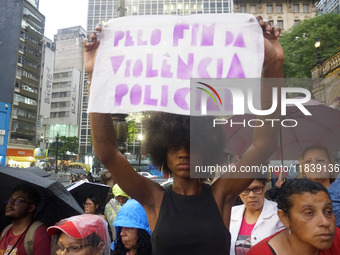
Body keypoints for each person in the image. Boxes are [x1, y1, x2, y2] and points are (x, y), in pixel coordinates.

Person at [85, 16, 284, 254]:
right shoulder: (154, 198)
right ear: (162, 152)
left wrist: (274, 65)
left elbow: (264, 145)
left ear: (208, 147)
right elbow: (107, 153)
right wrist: (95, 78)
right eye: (173, 146)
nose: (183, 152)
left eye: (192, 144)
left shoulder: (222, 194)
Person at [248, 178, 340, 255]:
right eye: (309, 213)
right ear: (284, 218)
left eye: (328, 211)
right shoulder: (260, 253)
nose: (325, 222)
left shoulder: (336, 237)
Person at [230, 178, 284, 254]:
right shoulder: (231, 214)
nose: (251, 195)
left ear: (264, 187)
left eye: (257, 189)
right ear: (239, 192)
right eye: (245, 190)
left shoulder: (278, 215)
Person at [0, 183, 51, 255]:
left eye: (18, 201)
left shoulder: (39, 235)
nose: (10, 203)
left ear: (31, 208)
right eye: (10, 200)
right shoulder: (5, 231)